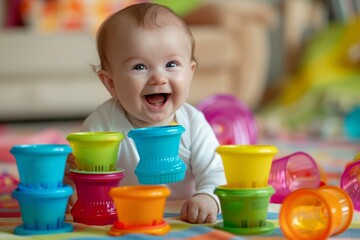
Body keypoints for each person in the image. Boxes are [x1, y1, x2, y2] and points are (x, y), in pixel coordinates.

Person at [65, 2, 226, 224]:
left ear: (190, 73)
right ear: (111, 83)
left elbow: (215, 172)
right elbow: (82, 171)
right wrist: (69, 182)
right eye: (139, 67)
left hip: (179, 219)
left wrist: (207, 196)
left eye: (171, 64)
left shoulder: (193, 123)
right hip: (123, 219)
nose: (158, 78)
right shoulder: (103, 123)